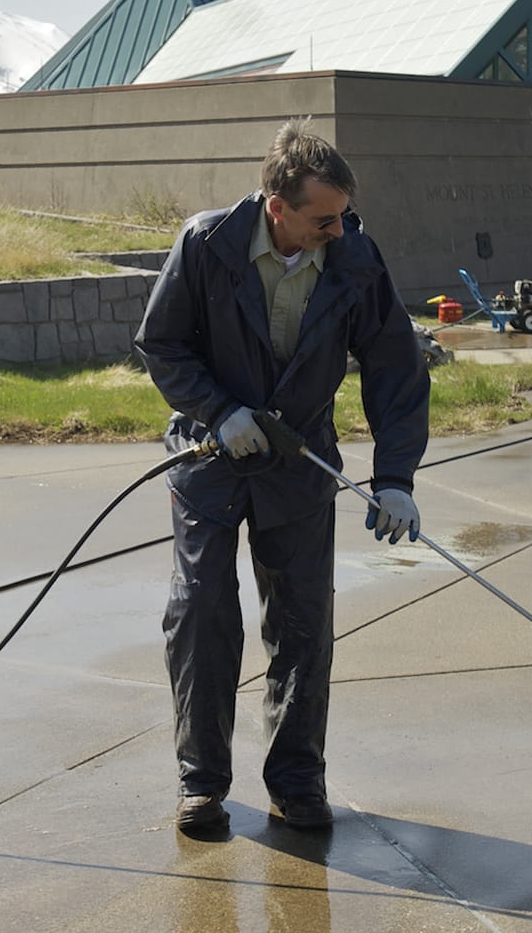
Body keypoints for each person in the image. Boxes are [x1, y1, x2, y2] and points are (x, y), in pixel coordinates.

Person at [134, 120, 430, 833]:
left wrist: (396, 477)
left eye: (343, 213)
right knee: (203, 610)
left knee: (303, 624)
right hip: (210, 460)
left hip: (299, 467)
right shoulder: (206, 245)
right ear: (277, 205)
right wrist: (218, 409)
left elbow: (394, 365)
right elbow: (163, 343)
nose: (340, 227)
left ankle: (297, 781)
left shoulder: (353, 258)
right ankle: (202, 781)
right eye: (322, 217)